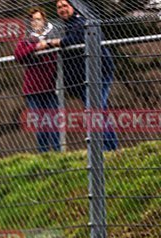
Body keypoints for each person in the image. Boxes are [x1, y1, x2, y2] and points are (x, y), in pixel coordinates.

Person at [47, 0, 117, 150]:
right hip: (83, 77)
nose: (62, 9)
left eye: (65, 6)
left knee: (95, 108)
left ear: (73, 7)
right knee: (97, 109)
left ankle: (108, 147)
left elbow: (78, 39)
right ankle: (107, 147)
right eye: (59, 7)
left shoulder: (81, 21)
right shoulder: (65, 26)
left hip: (100, 71)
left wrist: (54, 42)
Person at [15, 7, 61, 152]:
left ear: (44, 21)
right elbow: (18, 55)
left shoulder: (51, 36)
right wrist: (36, 47)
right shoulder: (28, 40)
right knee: (40, 124)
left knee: (53, 122)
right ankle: (43, 154)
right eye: (33, 20)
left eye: (38, 19)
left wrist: (47, 44)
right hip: (32, 89)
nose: (36, 22)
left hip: (50, 87)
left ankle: (57, 152)